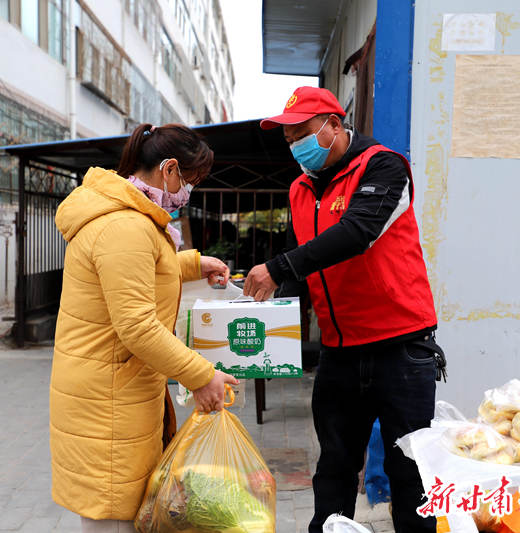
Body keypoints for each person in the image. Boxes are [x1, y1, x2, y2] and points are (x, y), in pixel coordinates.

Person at [243, 86, 444, 533]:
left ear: (334, 124)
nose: (296, 145)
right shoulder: (299, 188)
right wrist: (248, 312)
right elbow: (307, 259)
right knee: (333, 468)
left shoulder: (383, 167)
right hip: (340, 351)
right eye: (289, 137)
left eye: (303, 133)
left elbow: (357, 233)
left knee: (410, 476)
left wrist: (276, 268)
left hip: (401, 348)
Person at [51, 123, 239, 533]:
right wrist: (201, 375)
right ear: (169, 170)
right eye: (190, 181)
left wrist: (193, 263)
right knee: (116, 517)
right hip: (110, 401)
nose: (189, 192)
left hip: (114, 389)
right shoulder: (125, 226)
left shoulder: (132, 219)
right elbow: (136, 326)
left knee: (126, 514)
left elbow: (141, 270)